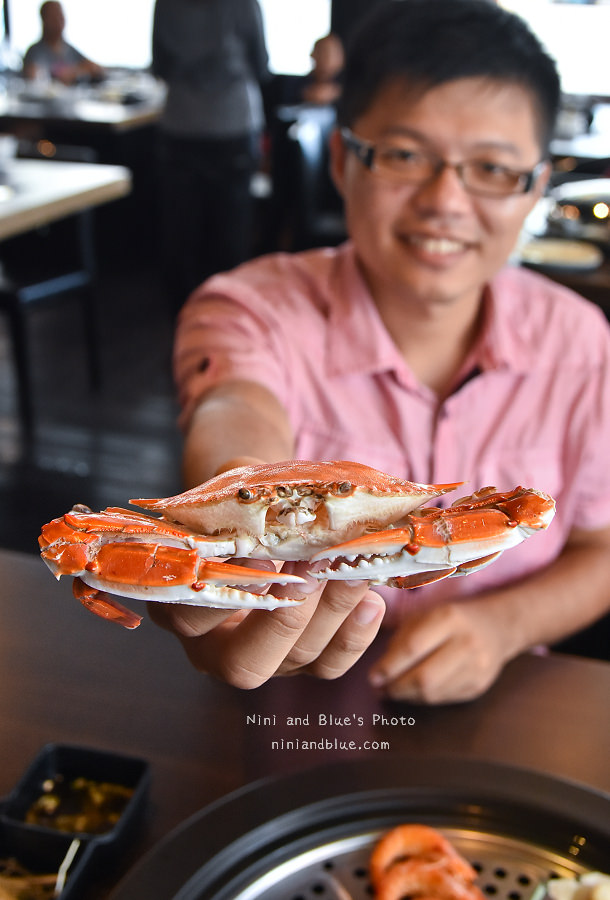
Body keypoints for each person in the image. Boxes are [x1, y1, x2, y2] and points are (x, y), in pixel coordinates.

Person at [152, 0, 610, 704]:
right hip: (278, 709)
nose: (446, 201)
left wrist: (504, 625)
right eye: (404, 155)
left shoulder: (582, 345)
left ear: (535, 187)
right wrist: (243, 490)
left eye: (491, 167)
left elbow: (601, 547)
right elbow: (234, 402)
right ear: (342, 157)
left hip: (504, 706)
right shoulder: (248, 308)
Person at [152, 0, 270, 312]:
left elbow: (160, 66)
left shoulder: (166, 5)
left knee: (181, 238)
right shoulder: (244, 4)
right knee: (230, 239)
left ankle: (184, 321)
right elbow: (261, 65)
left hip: (180, 125)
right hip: (232, 125)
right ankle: (227, 322)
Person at [22, 1, 104, 86]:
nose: (58, 20)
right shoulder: (35, 51)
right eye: (53, 16)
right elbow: (34, 76)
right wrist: (61, 76)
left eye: (60, 16)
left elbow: (95, 68)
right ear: (43, 19)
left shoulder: (69, 49)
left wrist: (74, 72)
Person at [301, 33, 344, 106]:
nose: (313, 55)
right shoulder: (298, 85)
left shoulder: (350, 85)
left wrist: (337, 94)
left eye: (326, 53)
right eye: (318, 51)